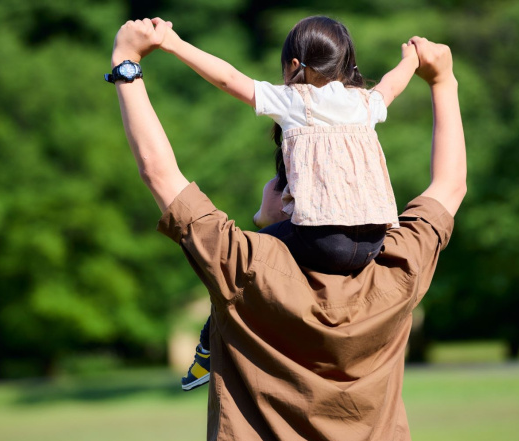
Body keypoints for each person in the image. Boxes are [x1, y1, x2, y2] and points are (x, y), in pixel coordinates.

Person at [109, 17, 465, 441]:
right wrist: (442, 80)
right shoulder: (399, 267)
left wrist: (126, 63)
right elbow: (450, 185)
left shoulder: (243, 268)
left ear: (293, 190)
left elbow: (160, 174)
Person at [156, 16, 421, 390]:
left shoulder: (295, 100)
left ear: (294, 66)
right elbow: (393, 84)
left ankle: (206, 350)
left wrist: (173, 43)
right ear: (345, 66)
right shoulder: (363, 103)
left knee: (240, 267)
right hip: (374, 240)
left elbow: (229, 78)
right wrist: (411, 59)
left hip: (322, 239)